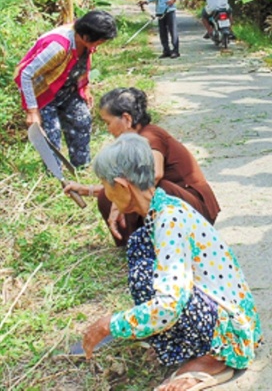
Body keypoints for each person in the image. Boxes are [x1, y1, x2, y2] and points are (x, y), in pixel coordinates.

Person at [82, 134, 262, 391]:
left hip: (233, 331)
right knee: (140, 253)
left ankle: (213, 358)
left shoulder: (169, 219)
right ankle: (182, 346)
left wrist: (111, 324)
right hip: (224, 313)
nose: (107, 195)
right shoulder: (161, 207)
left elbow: (169, 305)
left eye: (106, 186)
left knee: (144, 272)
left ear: (122, 185)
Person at [65, 87, 220, 246]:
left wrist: (117, 207)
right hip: (173, 204)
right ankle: (133, 244)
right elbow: (122, 185)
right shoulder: (129, 144)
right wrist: (86, 190)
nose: (108, 129)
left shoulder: (150, 135)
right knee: (108, 197)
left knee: (151, 189)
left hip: (194, 208)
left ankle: (165, 242)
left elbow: (154, 175)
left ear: (126, 118)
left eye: (108, 122)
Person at [14, 10, 117, 167]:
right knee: (51, 136)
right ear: (86, 37)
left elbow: (82, 62)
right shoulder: (58, 47)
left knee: (82, 121)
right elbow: (25, 74)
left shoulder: (85, 38)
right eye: (100, 41)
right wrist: (32, 112)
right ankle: (56, 175)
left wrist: (85, 87)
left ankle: (81, 167)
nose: (99, 45)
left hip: (67, 88)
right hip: (43, 92)